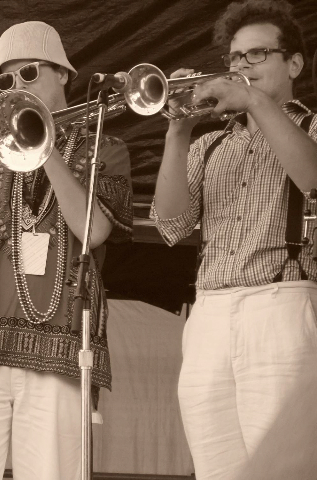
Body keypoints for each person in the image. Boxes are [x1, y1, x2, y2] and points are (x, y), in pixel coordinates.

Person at [0, 21, 133, 480]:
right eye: (5, 81)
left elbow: (92, 231)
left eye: (28, 74)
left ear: (63, 74)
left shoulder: (104, 148)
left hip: (61, 349)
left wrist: (43, 144)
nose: (17, 88)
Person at [151, 1, 317, 478]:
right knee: (215, 469)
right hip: (210, 315)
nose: (241, 67)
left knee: (285, 467)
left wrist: (257, 103)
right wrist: (177, 132)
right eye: (235, 58)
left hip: (282, 305)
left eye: (256, 55)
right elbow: (171, 226)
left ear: (294, 63)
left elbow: (312, 179)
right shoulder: (211, 144)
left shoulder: (311, 128)